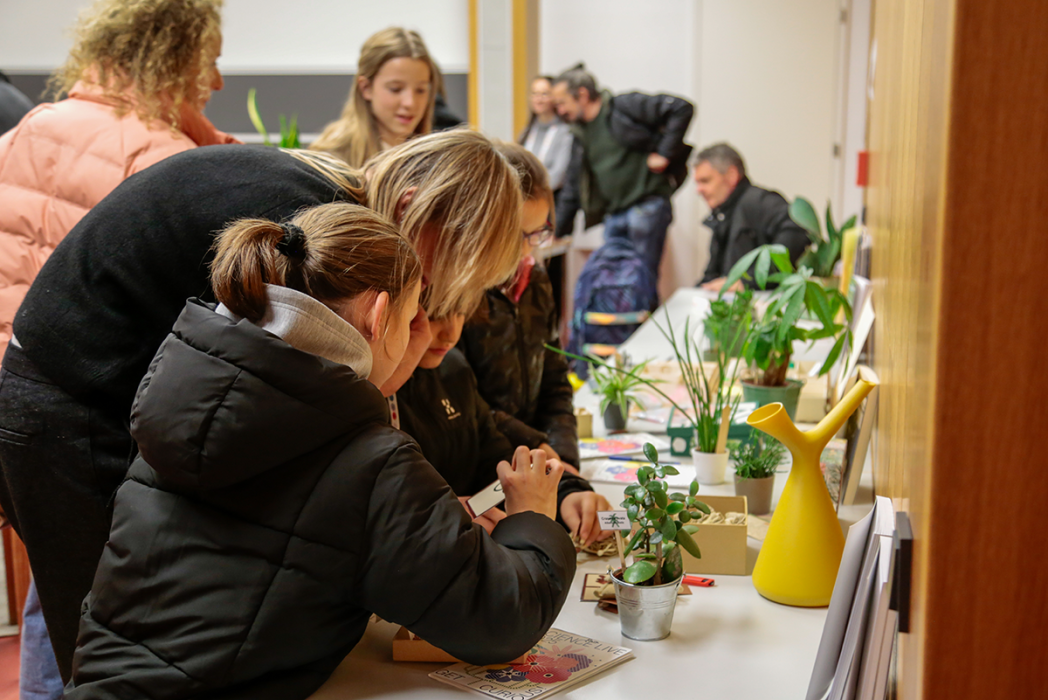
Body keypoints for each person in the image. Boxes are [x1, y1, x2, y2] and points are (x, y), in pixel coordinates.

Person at [0, 130, 523, 681]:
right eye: (441, 269)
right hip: (68, 405)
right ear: (414, 206)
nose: (431, 290)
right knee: (109, 648)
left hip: (95, 389)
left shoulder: (331, 206)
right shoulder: (313, 227)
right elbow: (316, 420)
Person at [64, 203, 575, 699]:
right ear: (380, 315)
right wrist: (531, 516)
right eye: (412, 313)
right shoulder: (368, 460)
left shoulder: (182, 397)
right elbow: (501, 619)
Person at [0, 1, 235, 694]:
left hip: (13, 398)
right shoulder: (162, 158)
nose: (217, 80)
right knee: (101, 604)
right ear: (176, 52)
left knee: (52, 583)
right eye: (211, 59)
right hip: (99, 411)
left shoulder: (31, 126)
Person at [397, 311, 611, 546]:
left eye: (460, 311)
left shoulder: (454, 368)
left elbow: (496, 461)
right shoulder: (380, 399)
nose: (451, 334)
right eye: (436, 313)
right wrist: (439, 519)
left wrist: (565, 494)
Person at [459, 142, 579, 468]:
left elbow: (555, 381)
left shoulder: (536, 281)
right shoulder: (461, 295)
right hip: (484, 467)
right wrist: (537, 445)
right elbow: (467, 402)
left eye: (537, 233)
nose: (526, 251)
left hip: (536, 463)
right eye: (514, 236)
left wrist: (563, 457)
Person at [551, 64, 694, 281]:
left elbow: (682, 108)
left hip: (646, 206)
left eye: (562, 103)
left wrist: (665, 154)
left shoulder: (624, 107)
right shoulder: (580, 134)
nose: (560, 111)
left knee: (640, 280)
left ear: (582, 94)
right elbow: (573, 186)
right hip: (614, 215)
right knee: (615, 285)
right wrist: (557, 231)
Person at [311, 27, 436, 167]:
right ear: (366, 88)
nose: (410, 103)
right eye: (395, 89)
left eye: (420, 90)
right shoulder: (331, 156)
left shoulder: (433, 157)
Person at [693, 143, 810, 291]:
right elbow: (713, 275)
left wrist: (748, 282)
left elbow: (798, 229)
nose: (699, 190)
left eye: (705, 181)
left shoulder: (758, 202)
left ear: (731, 175)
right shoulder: (724, 215)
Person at [519, 76, 573, 193]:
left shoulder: (565, 131)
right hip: (525, 199)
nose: (538, 100)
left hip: (552, 199)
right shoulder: (527, 131)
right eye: (535, 94)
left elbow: (558, 175)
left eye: (544, 94)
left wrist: (530, 188)